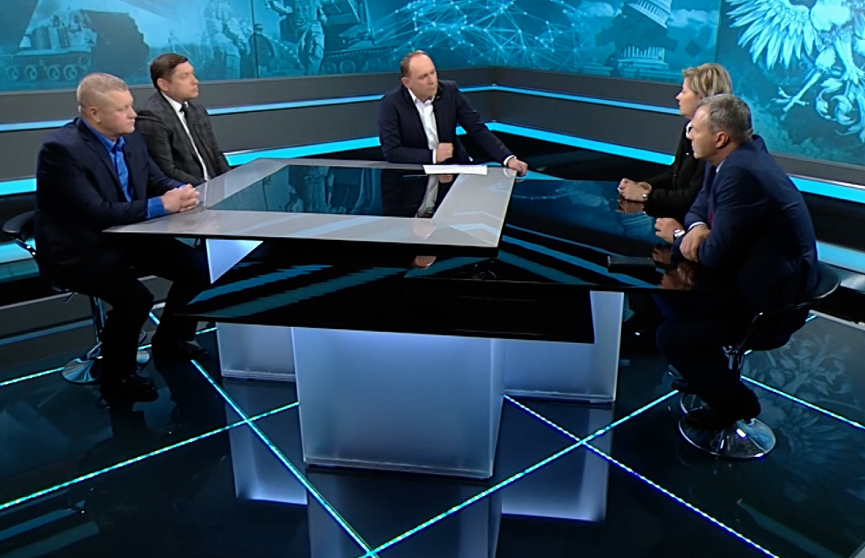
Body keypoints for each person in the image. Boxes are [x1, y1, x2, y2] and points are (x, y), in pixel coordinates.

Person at [34, 73, 211, 405]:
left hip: (128, 236)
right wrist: (162, 205)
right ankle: (117, 378)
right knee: (136, 299)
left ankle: (170, 342)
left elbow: (155, 179)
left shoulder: (130, 137)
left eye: (131, 105)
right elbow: (97, 213)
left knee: (199, 268)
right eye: (122, 109)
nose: (133, 114)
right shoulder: (61, 150)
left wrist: (180, 192)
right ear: (94, 114)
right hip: (81, 247)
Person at [653, 94, 818, 431]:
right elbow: (698, 208)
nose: (688, 134)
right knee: (664, 291)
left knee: (672, 336)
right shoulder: (729, 159)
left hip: (770, 301)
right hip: (749, 275)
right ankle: (707, 373)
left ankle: (735, 404)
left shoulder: (742, 172)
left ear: (720, 138)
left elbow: (714, 255)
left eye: (695, 129)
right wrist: (696, 228)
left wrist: (678, 235)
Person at [378, 50, 528, 175]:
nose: (432, 80)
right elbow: (392, 151)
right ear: (407, 82)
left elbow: (477, 129)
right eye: (423, 77)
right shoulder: (391, 103)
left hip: (453, 169)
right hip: (414, 175)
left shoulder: (449, 91)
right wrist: (433, 156)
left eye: (433, 73)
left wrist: (508, 158)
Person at [618, 63, 733, 223]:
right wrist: (647, 186)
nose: (678, 97)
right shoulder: (690, 127)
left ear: (700, 99)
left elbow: (692, 197)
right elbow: (675, 172)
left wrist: (646, 196)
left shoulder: (712, 140)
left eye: (684, 91)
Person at [136, 53, 230, 186]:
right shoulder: (151, 116)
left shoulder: (197, 110)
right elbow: (167, 171)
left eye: (193, 74)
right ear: (163, 84)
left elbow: (215, 152)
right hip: (187, 192)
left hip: (212, 187)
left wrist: (229, 181)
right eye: (184, 76)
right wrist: (208, 187)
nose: (195, 81)